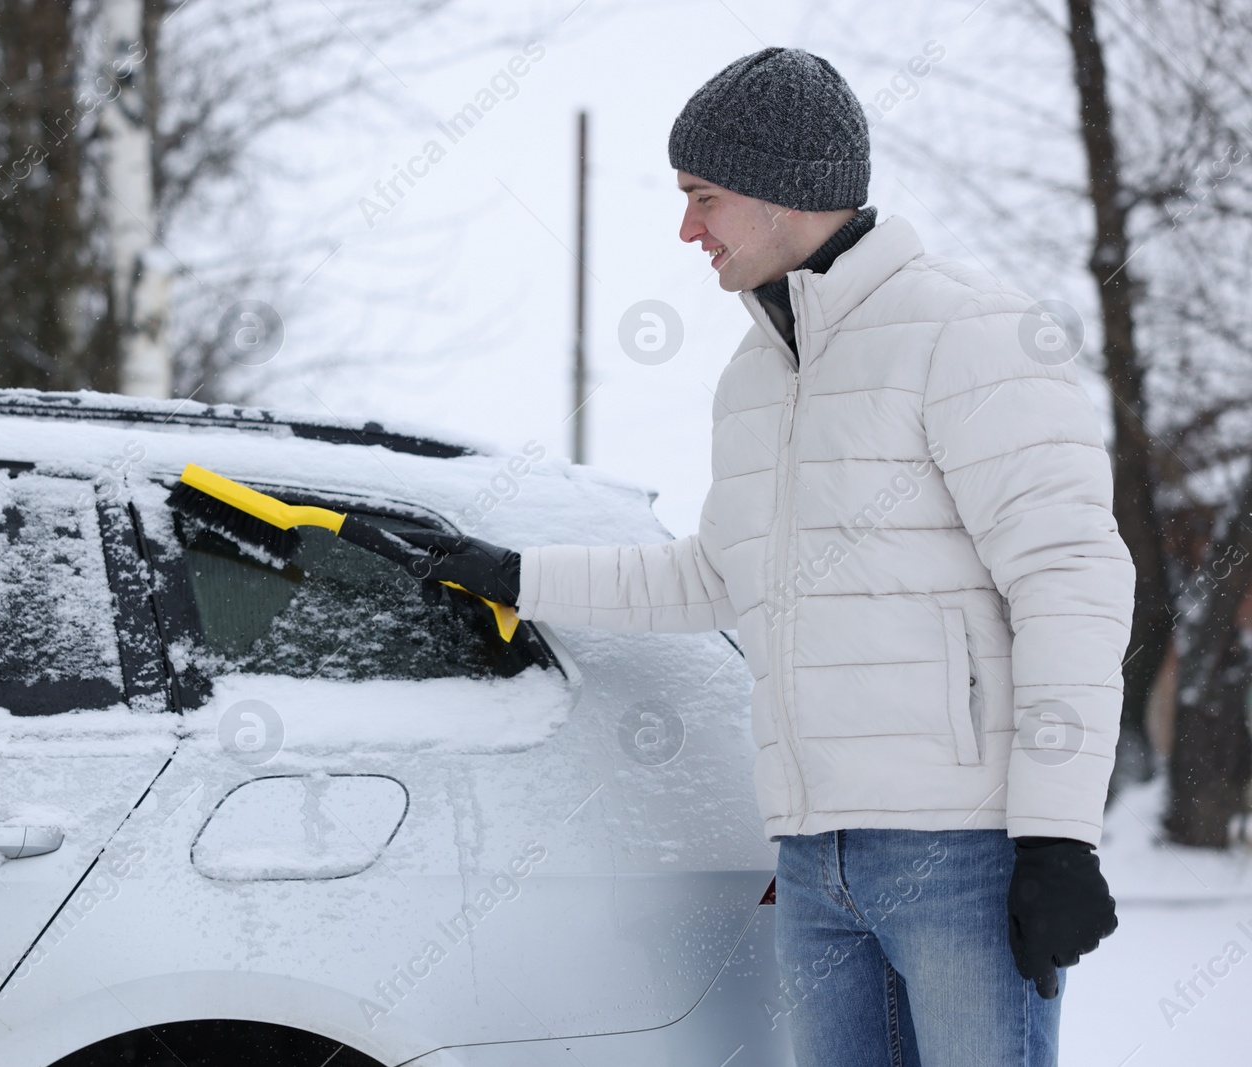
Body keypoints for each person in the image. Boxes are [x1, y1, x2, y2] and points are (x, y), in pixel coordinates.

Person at [401, 45, 1134, 1067]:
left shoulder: (968, 331)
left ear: (785, 193)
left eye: (703, 197)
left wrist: (1058, 835)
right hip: (810, 855)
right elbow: (715, 574)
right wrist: (512, 575)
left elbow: (1071, 574)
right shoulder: (755, 371)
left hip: (956, 851)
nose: (686, 229)